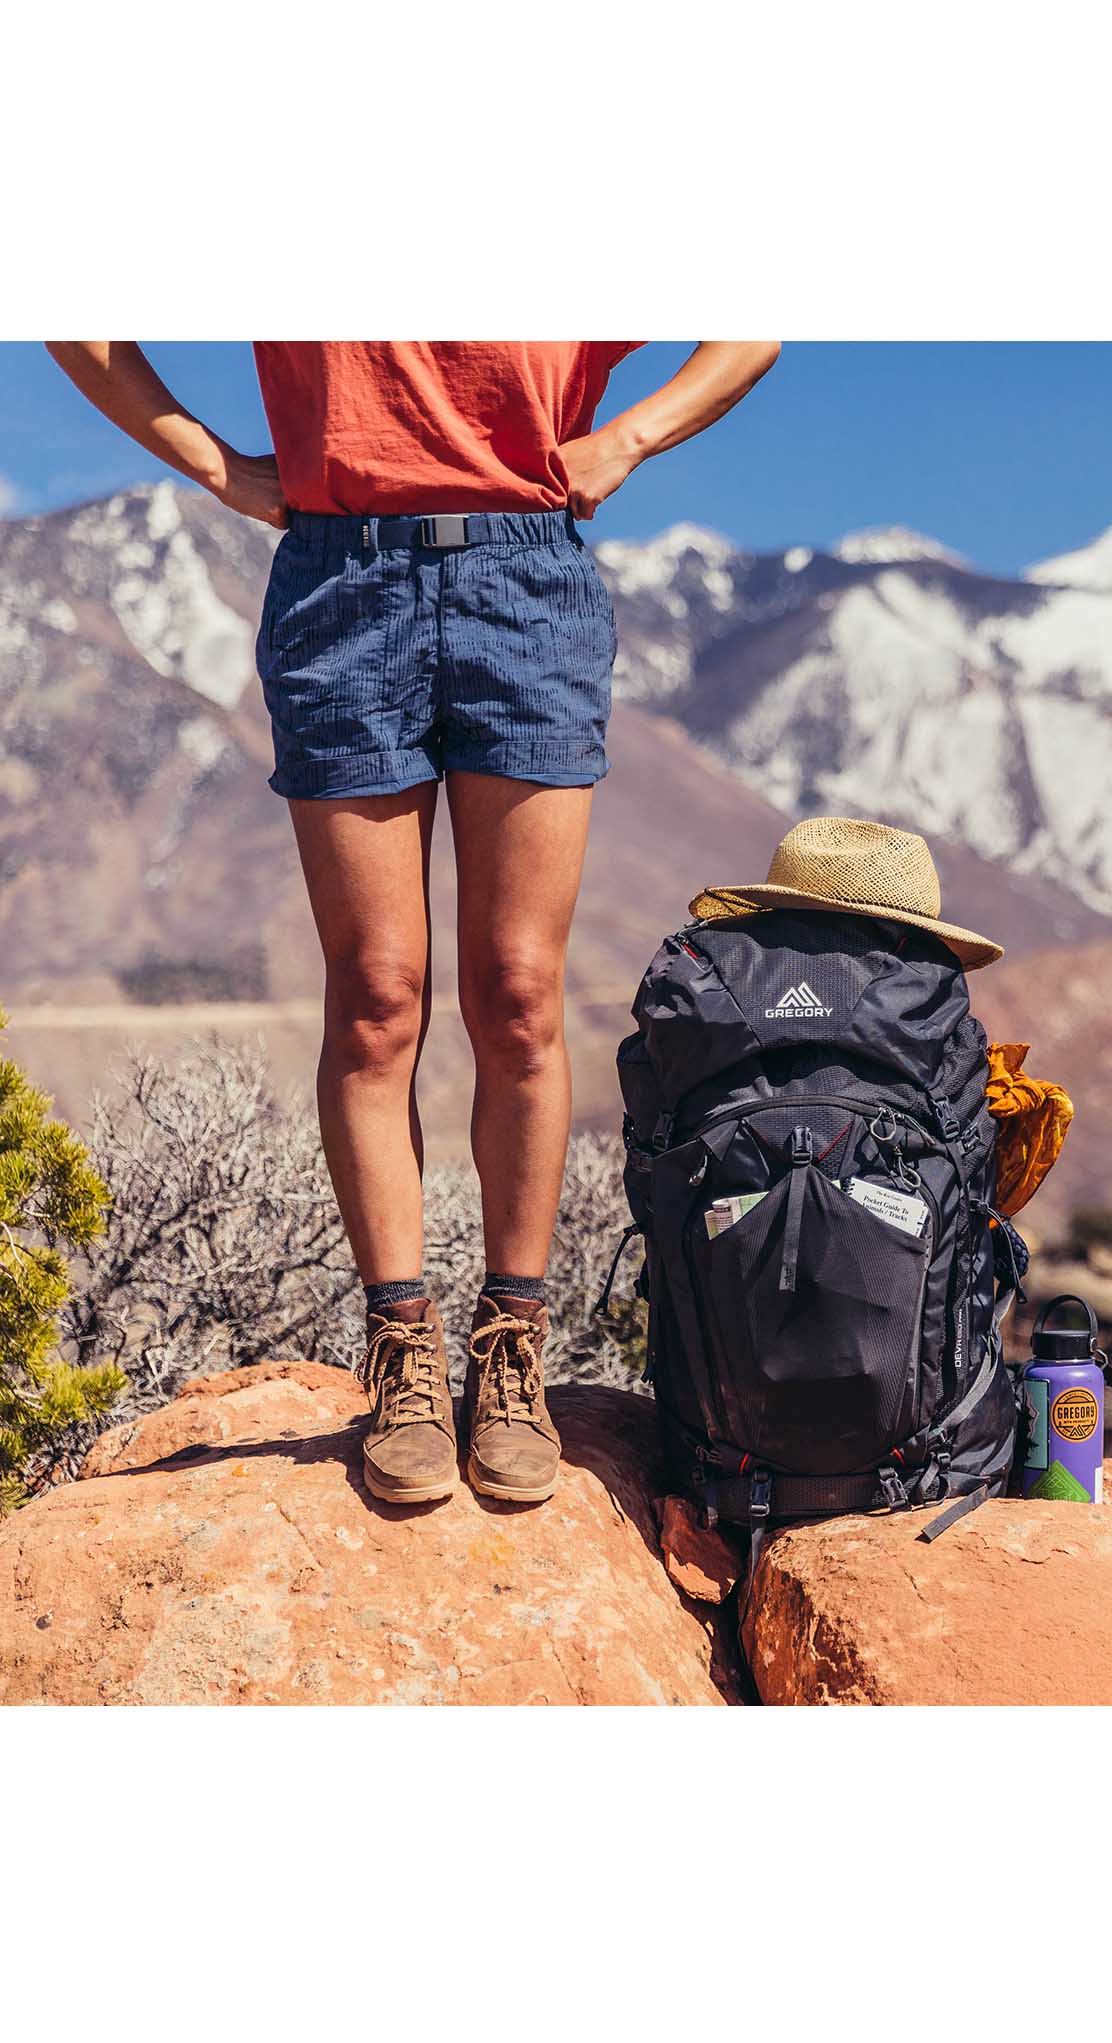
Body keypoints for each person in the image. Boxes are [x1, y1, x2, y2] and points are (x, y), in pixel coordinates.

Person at [46, 340, 781, 1507]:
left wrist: (629, 437)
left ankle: (512, 1348)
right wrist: (216, 464)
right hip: (340, 583)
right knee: (377, 994)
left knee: (519, 993)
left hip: (526, 582)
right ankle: (401, 1349)